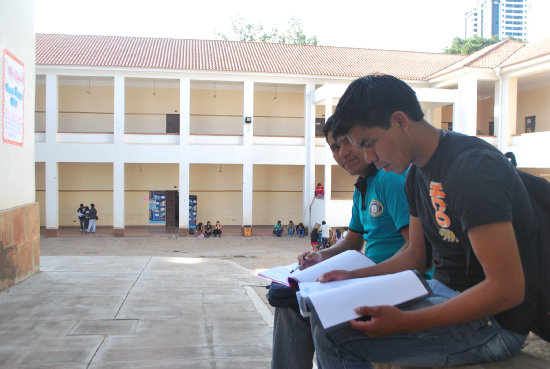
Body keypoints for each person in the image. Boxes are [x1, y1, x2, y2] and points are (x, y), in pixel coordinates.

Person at [309, 74, 538, 368]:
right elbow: (415, 255)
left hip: (495, 323)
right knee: (327, 313)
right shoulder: (417, 175)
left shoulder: (473, 169)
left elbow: (506, 288)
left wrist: (407, 322)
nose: (369, 157)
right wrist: (351, 278)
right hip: (441, 292)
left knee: (338, 337)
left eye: (370, 143)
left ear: (401, 122)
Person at [271, 115, 412, 369]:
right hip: (369, 276)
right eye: (335, 147)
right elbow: (352, 241)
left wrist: (355, 275)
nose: (343, 152)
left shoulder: (389, 179)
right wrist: (321, 256)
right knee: (286, 297)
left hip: (394, 279)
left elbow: (415, 250)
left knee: (320, 310)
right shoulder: (363, 187)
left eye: (348, 142)